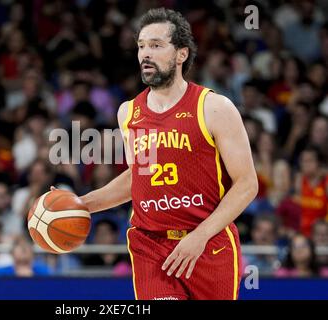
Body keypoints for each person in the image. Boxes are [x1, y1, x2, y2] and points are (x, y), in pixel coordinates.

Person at [59, 8, 258, 300]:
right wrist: (80, 204)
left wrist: (200, 236)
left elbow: (246, 184)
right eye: (141, 46)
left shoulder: (214, 107)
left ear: (181, 54)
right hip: (150, 246)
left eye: (155, 45)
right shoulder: (129, 112)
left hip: (208, 244)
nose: (144, 54)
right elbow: (139, 177)